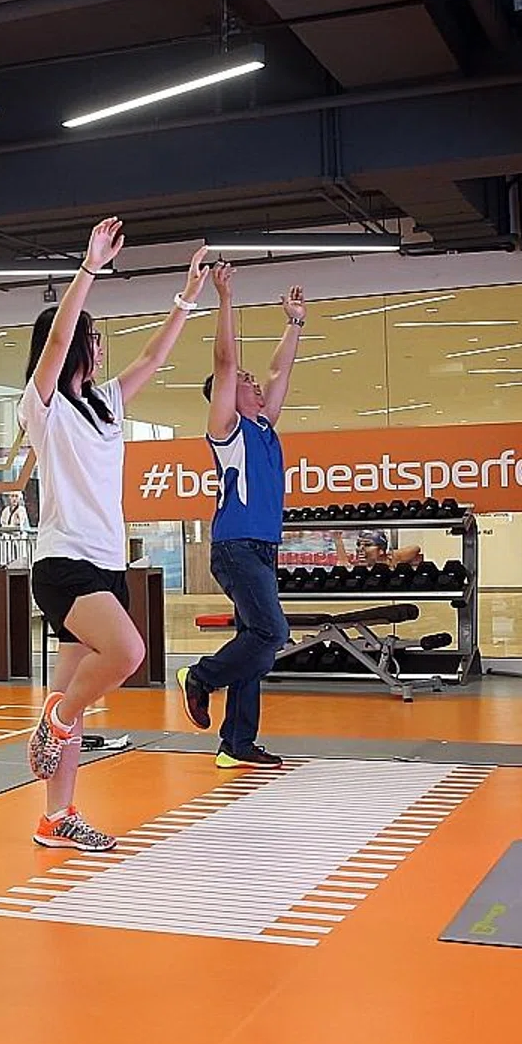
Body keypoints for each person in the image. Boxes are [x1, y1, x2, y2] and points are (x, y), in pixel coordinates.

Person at [21, 226, 210, 852]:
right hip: (62, 562)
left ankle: (57, 816)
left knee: (73, 678)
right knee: (126, 655)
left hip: (104, 564)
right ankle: (59, 718)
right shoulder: (43, 407)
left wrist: (185, 299)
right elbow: (55, 340)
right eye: (94, 340)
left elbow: (152, 360)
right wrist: (89, 270)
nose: (101, 350)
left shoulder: (105, 406)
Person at [176, 265, 305, 769]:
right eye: (244, 382)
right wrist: (225, 298)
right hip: (235, 546)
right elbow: (226, 363)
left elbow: (278, 374)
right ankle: (202, 677)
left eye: (253, 383)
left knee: (255, 641)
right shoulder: (226, 429)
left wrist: (293, 324)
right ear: (227, 396)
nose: (254, 383)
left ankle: (236, 743)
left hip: (261, 547)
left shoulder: (263, 426)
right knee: (272, 634)